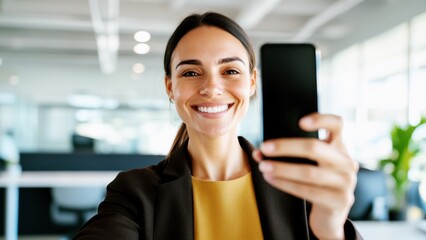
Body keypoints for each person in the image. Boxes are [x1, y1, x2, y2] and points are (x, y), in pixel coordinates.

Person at [74, 12, 362, 240]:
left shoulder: (300, 186)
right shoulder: (136, 192)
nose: (212, 88)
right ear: (170, 87)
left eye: (231, 71)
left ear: (252, 82)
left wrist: (331, 233)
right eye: (191, 72)